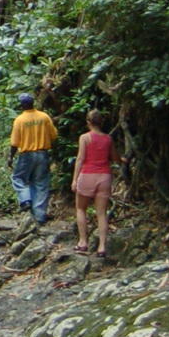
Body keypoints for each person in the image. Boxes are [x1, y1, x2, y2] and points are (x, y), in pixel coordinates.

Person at [8, 92, 59, 226]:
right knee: (41, 184)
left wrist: (10, 157)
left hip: (26, 155)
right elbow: (54, 136)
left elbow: (14, 143)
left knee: (19, 178)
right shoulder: (44, 117)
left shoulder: (20, 120)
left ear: (22, 105)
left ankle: (25, 200)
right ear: (33, 103)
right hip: (42, 153)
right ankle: (40, 216)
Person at [71, 109, 115, 258]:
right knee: (101, 213)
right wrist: (123, 160)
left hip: (87, 175)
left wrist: (75, 179)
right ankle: (102, 247)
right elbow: (114, 157)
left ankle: (83, 242)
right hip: (104, 177)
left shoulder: (85, 138)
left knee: (81, 208)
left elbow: (80, 159)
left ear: (88, 122)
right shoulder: (108, 139)